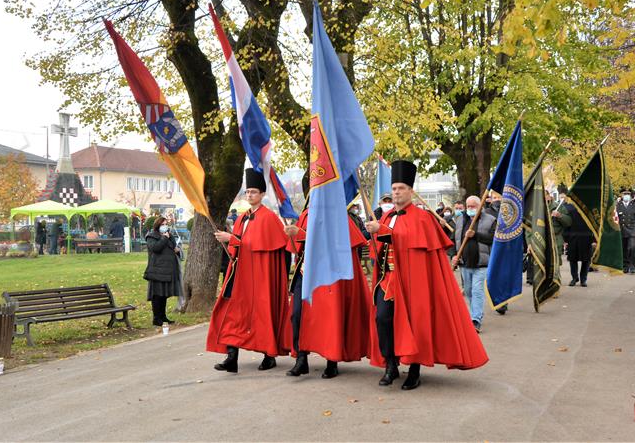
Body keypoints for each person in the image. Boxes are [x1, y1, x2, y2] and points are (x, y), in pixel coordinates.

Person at [365, 161, 488, 390]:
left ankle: (414, 370)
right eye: (394, 189)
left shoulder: (422, 218)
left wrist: (383, 232)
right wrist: (375, 232)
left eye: (401, 188)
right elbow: (379, 247)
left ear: (411, 191)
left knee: (416, 324)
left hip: (413, 281)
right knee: (382, 320)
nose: (396, 192)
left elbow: (406, 240)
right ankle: (390, 365)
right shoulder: (386, 216)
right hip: (388, 280)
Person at [208, 169, 291, 373]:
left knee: (263, 314)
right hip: (240, 275)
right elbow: (237, 249)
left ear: (262, 194)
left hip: (260, 277)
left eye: (254, 192)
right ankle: (231, 357)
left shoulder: (269, 218)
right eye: (248, 192)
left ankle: (269, 355)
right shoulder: (242, 218)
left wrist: (233, 240)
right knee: (232, 314)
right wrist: (229, 242)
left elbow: (261, 245)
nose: (250, 195)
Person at [284, 188, 370, 379]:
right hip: (305, 272)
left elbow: (338, 243)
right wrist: (292, 234)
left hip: (329, 275)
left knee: (330, 317)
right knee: (297, 314)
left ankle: (332, 362)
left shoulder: (338, 216)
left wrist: (303, 234)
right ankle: (301, 359)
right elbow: (297, 246)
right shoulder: (305, 215)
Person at [451, 195, 496, 333]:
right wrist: (453, 255)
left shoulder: (490, 220)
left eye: (473, 206)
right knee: (469, 291)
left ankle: (475, 320)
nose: (470, 209)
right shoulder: (459, 219)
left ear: (480, 206)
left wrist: (475, 235)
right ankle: (474, 313)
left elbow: (494, 239)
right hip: (464, 263)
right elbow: (453, 239)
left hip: (481, 263)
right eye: (468, 206)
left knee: (477, 291)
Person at [143, 216, 181, 326]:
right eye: (163, 224)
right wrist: (164, 238)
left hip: (167, 270)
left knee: (164, 294)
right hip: (157, 270)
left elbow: (173, 246)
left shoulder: (168, 235)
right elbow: (156, 248)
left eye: (166, 224)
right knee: (157, 295)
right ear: (157, 225)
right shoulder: (151, 236)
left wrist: (170, 237)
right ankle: (156, 318)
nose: (165, 226)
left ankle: (163, 317)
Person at [563, 199, 595, 286]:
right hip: (573, 238)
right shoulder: (570, 209)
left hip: (587, 238)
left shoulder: (590, 210)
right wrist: (565, 239)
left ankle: (583, 279)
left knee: (586, 260)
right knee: (573, 259)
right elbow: (567, 224)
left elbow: (595, 226)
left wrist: (594, 240)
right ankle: (574, 278)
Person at [616, 190, 635, 274]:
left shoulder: (634, 205)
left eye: (628, 194)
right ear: (621, 195)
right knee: (623, 249)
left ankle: (632, 266)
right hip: (621, 230)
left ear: (630, 195)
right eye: (624, 194)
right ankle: (625, 266)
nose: (626, 195)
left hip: (632, 230)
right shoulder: (617, 205)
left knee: (632, 248)